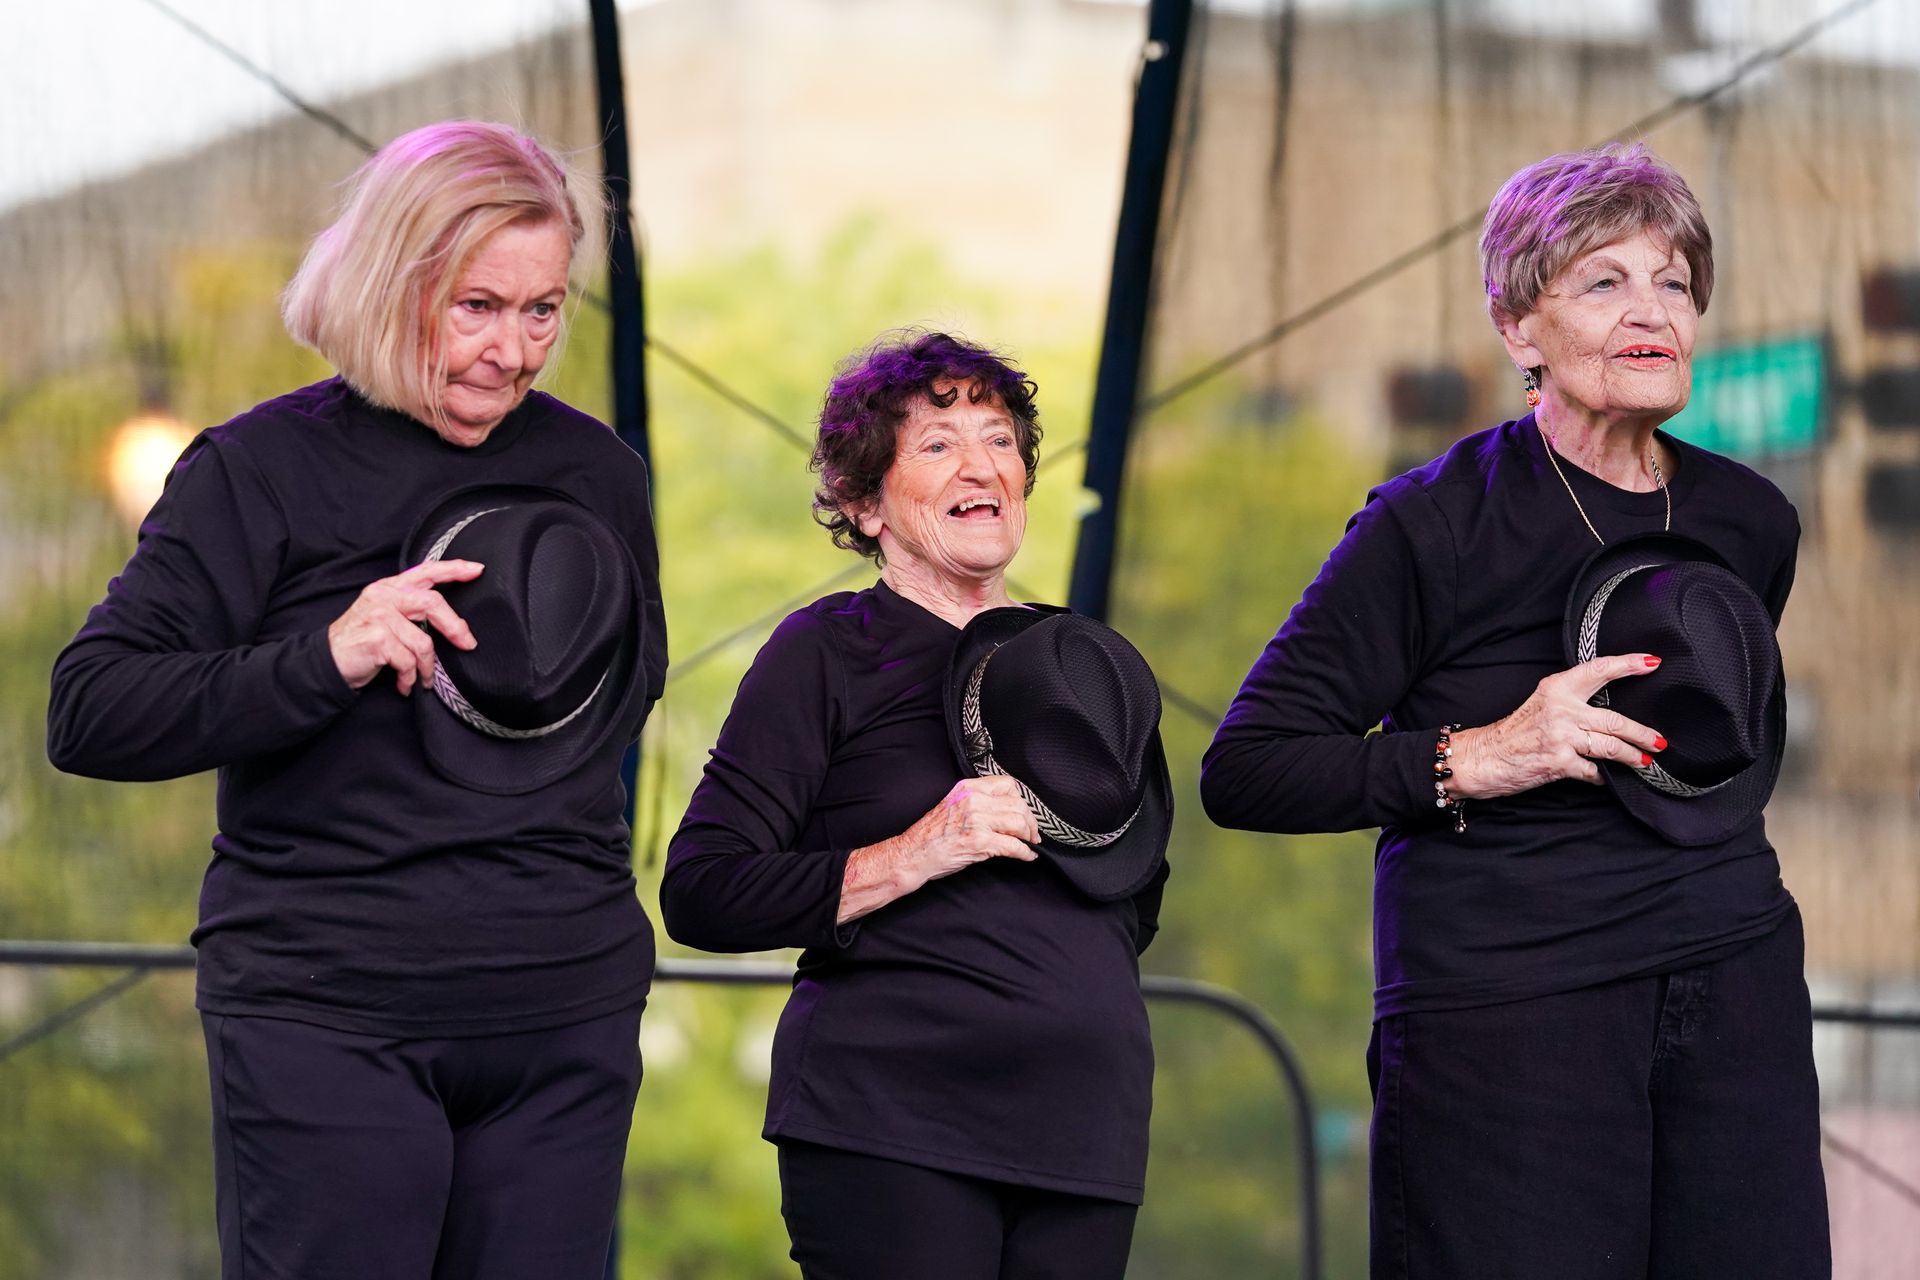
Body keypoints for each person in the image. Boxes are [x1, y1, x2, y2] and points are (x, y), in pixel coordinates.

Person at [47, 121, 666, 1280]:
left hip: (560, 1010)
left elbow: (620, 697)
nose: (513, 350)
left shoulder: (597, 471)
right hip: (328, 1015)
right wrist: (323, 655)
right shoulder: (258, 468)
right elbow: (90, 708)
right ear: (393, 285)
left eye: (543, 309)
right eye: (477, 306)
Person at [1202, 144, 1828, 1279]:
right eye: (1603, 282)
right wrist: (1479, 754)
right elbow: (1247, 767)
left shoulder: (1749, 518)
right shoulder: (1429, 526)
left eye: (1674, 283)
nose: (1652, 312)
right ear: (1517, 328)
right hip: (1508, 1011)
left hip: (1733, 984)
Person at [661, 330, 1172, 1280]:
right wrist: (918, 851)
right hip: (893, 1122)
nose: (982, 463)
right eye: (937, 444)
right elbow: (702, 890)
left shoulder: (1083, 662)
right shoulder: (826, 650)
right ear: (864, 504)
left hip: (1084, 1131)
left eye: (1000, 438)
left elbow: (1133, 895)